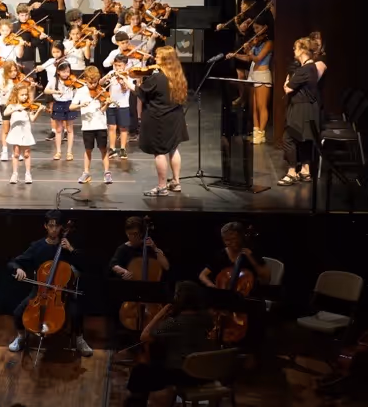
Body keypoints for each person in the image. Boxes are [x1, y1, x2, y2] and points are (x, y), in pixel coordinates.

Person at [7, 211, 93, 357]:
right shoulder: (37, 246)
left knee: (76, 312)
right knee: (17, 312)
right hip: (40, 291)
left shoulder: (67, 246)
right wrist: (18, 269)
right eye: (51, 226)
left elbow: (85, 266)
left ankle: (79, 339)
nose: (54, 229)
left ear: (61, 228)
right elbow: (13, 262)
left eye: (57, 226)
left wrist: (71, 250)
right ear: (45, 226)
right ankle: (21, 337)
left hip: (61, 292)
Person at [124, 282, 216, 407]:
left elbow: (144, 336)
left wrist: (161, 313)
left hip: (185, 375)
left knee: (140, 372)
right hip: (205, 373)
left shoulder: (175, 323)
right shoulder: (206, 318)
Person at [137, 46, 189, 196]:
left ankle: (161, 187)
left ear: (165, 60)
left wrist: (129, 82)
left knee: (159, 152)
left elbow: (141, 93)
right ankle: (176, 182)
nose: (155, 58)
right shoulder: (177, 75)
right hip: (175, 118)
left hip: (160, 119)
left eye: (158, 56)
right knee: (173, 149)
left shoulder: (157, 77)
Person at [278, 37, 324, 186]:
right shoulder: (307, 68)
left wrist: (287, 81)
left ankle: (291, 172)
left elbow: (288, 88)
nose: (294, 50)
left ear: (303, 50)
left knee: (288, 139)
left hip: (302, 109)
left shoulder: (305, 69)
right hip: (304, 107)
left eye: (295, 47)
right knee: (303, 139)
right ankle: (305, 171)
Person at [227, 19, 272, 144]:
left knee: (261, 106)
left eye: (258, 29)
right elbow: (248, 59)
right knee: (254, 106)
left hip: (263, 75)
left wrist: (249, 50)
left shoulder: (268, 43)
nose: (256, 32)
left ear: (265, 28)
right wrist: (236, 55)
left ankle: (261, 133)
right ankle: (256, 131)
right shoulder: (256, 43)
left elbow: (257, 58)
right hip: (254, 74)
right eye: (255, 29)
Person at [71, 66, 111, 184]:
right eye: (90, 83)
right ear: (85, 79)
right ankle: (86, 173)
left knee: (103, 149)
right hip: (87, 126)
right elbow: (71, 107)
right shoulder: (81, 91)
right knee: (88, 150)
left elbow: (102, 110)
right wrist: (80, 106)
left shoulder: (102, 91)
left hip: (101, 125)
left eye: (95, 82)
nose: (93, 85)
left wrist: (107, 104)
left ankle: (107, 172)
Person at [198, 221, 270, 287]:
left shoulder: (251, 253)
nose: (230, 242)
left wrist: (251, 258)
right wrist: (211, 285)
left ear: (241, 237)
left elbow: (266, 278)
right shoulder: (221, 254)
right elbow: (202, 275)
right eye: (226, 240)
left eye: (234, 238)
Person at [4, 84, 42, 184]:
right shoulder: (12, 106)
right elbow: (5, 113)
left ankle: (28, 174)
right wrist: (16, 108)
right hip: (16, 132)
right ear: (16, 95)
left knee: (26, 154)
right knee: (16, 154)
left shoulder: (28, 107)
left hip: (25, 132)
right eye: (22, 95)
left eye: (26, 95)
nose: (25, 97)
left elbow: (32, 119)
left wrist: (38, 111)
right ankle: (15, 174)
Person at [43, 62, 78, 161]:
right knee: (58, 130)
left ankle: (69, 152)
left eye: (67, 71)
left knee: (70, 129)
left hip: (69, 104)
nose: (66, 74)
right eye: (63, 72)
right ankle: (58, 151)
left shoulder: (72, 81)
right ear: (58, 72)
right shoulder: (54, 80)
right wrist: (55, 91)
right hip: (58, 104)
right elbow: (46, 90)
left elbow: (77, 91)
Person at [104, 56, 135, 160]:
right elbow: (100, 83)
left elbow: (125, 89)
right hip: (111, 104)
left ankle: (122, 148)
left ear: (125, 65)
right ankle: (112, 149)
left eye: (120, 65)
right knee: (112, 127)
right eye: (116, 65)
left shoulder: (128, 76)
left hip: (123, 105)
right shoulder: (111, 73)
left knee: (123, 128)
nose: (117, 67)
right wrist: (106, 78)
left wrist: (122, 82)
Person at [0, 61, 21, 161]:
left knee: (17, 129)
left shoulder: (19, 80)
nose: (14, 73)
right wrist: (2, 88)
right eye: (11, 71)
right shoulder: (3, 80)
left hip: (16, 106)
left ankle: (18, 151)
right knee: (6, 129)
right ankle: (5, 150)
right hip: (5, 106)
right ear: (6, 72)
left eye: (15, 70)